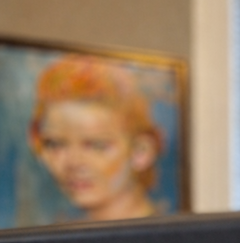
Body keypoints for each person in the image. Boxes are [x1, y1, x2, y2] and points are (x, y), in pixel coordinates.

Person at [27, 56, 162, 221]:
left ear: (140, 151)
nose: (73, 163)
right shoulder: (64, 231)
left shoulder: (168, 236)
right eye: (55, 144)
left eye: (97, 145)